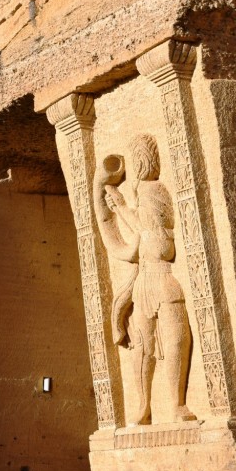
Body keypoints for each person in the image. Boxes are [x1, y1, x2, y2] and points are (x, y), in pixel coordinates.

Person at [95, 133, 197, 426]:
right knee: (143, 346)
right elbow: (142, 239)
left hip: (162, 277)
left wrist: (121, 207)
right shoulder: (142, 194)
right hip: (145, 281)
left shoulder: (153, 191)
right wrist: (121, 207)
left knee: (176, 337)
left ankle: (177, 404)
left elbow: (155, 238)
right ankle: (143, 406)